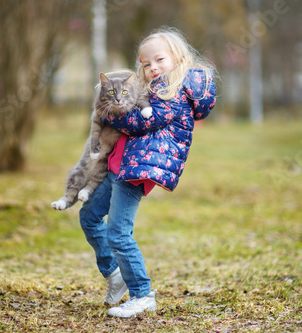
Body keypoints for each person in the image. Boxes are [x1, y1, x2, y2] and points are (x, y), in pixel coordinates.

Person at [78, 26, 217, 318]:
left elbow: (141, 123)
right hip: (119, 164)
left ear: (178, 58)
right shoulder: (152, 87)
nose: (153, 68)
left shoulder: (175, 91)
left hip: (138, 170)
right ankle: (114, 275)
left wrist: (108, 112)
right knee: (89, 216)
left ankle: (142, 294)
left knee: (118, 232)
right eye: (146, 63)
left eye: (159, 60)